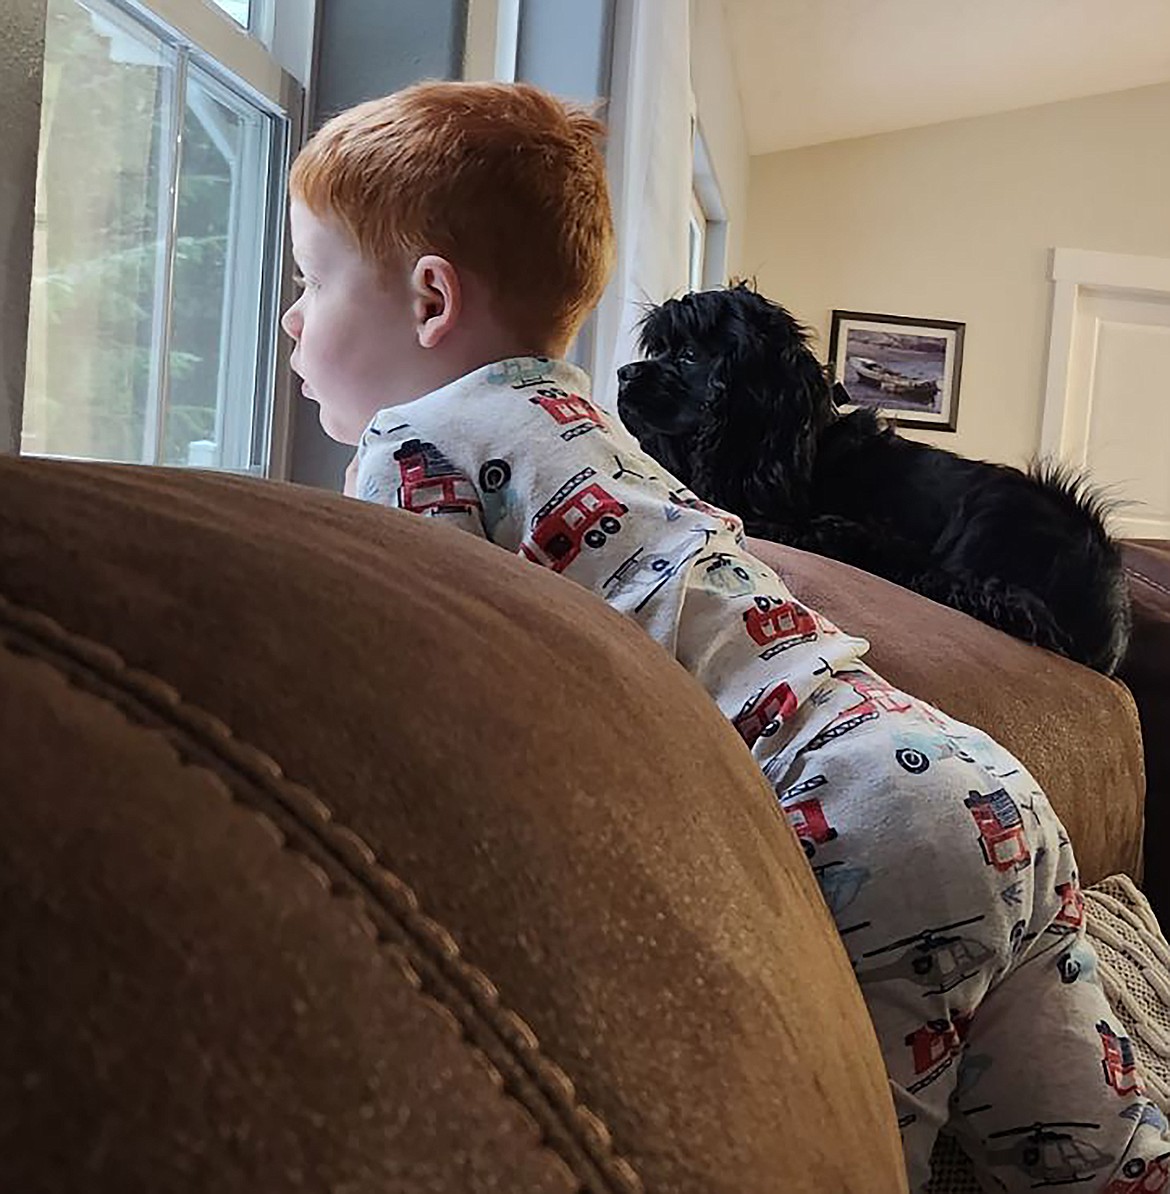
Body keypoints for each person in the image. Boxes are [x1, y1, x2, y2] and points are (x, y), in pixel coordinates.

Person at [281, 78, 1170, 1192]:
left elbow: (414, 662)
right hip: (977, 788)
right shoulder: (597, 434)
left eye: (311, 281)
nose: (292, 319)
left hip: (851, 825)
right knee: (1105, 1162)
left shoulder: (417, 443)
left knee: (834, 1151)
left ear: (429, 300)